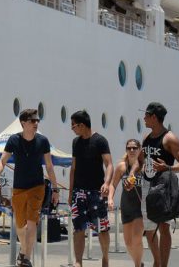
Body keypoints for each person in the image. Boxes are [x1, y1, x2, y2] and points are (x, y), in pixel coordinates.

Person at [0, 109, 60, 267]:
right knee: (20, 225)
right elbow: (2, 161)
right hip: (19, 188)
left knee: (31, 224)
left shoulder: (43, 141)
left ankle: (26, 258)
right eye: (32, 121)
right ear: (23, 123)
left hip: (37, 187)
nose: (36, 123)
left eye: (37, 121)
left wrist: (56, 189)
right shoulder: (13, 140)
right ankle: (23, 251)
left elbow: (49, 167)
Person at [138, 102, 179, 267]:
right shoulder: (146, 138)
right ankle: (157, 262)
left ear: (154, 117)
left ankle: (162, 265)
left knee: (164, 228)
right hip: (147, 185)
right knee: (149, 228)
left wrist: (167, 167)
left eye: (146, 115)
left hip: (163, 187)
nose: (144, 118)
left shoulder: (169, 138)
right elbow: (141, 161)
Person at [68, 110, 113, 267]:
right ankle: (78, 261)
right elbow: (73, 169)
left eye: (73, 125)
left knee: (102, 229)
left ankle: (105, 257)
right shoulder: (75, 142)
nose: (72, 129)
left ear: (81, 125)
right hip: (78, 192)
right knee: (78, 229)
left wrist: (106, 183)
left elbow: (109, 164)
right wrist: (70, 193)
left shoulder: (100, 140)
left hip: (96, 192)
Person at [108, 139, 145, 267]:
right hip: (126, 207)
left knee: (137, 238)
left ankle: (137, 264)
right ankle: (139, 263)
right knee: (128, 243)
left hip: (141, 209)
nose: (132, 150)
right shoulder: (121, 166)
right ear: (126, 150)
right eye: (129, 148)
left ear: (140, 149)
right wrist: (110, 199)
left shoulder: (144, 166)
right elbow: (113, 184)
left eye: (135, 148)